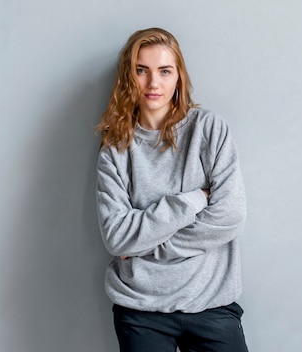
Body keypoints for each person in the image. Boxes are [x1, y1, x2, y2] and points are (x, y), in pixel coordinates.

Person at [95, 27, 249, 352]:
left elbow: (229, 216)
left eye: (164, 71)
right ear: (128, 76)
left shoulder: (208, 129)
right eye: (142, 70)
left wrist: (148, 248)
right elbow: (116, 238)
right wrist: (193, 200)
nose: (153, 83)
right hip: (140, 308)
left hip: (211, 303)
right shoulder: (116, 146)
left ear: (178, 76)